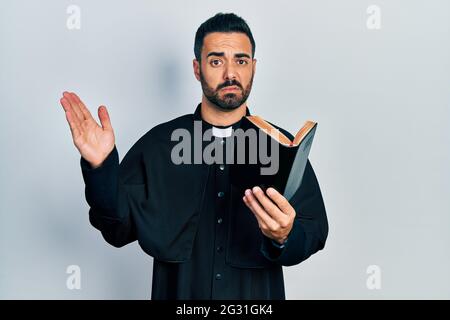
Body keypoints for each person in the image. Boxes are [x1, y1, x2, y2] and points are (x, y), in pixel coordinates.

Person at [59, 12, 328, 299]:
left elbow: (314, 230)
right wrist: (100, 166)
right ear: (197, 69)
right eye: (216, 61)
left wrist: (284, 236)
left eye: (241, 60)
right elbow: (116, 228)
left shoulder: (281, 149)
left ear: (253, 67)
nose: (230, 74)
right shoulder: (158, 146)